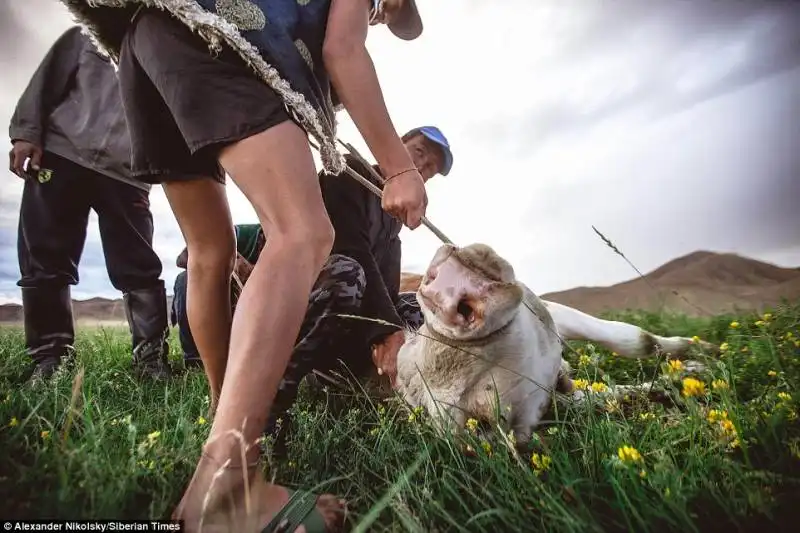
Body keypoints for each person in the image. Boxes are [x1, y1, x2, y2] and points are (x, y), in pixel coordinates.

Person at [59, 0, 431, 530]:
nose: (379, 15)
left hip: (152, 40)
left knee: (210, 251)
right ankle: (226, 490)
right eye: (387, 9)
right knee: (302, 232)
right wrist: (397, 168)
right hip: (219, 37)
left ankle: (230, 438)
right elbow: (342, 50)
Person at [170, 125, 452, 434]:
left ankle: (413, 390)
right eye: (420, 153)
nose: (421, 168)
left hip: (340, 317)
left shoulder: (392, 228)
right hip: (292, 307)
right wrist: (385, 330)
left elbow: (386, 289)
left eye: (429, 170)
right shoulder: (346, 172)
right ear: (399, 144)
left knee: (415, 307)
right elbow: (347, 246)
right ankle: (268, 398)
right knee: (347, 274)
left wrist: (393, 325)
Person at [7, 26, 173, 384]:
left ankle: (150, 361)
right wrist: (26, 131)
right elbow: (46, 79)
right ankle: (51, 359)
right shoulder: (85, 33)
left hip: (130, 171)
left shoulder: (170, 42)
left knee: (139, 263)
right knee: (44, 256)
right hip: (62, 153)